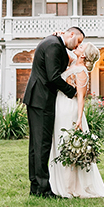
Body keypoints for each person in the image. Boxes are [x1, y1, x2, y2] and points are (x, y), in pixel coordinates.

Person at [23, 27, 85, 198]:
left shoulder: (53, 42)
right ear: (71, 34)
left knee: (36, 146)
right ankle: (42, 188)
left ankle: (36, 187)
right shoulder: (54, 45)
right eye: (78, 41)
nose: (77, 46)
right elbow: (53, 76)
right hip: (42, 100)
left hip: (37, 98)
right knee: (42, 145)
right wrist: (72, 92)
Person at [48, 41, 104, 198]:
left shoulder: (82, 71)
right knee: (58, 143)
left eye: (81, 47)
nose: (78, 46)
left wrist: (79, 119)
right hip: (59, 106)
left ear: (84, 55)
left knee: (67, 145)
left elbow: (81, 98)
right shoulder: (72, 63)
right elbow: (64, 49)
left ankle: (69, 187)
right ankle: (57, 184)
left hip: (69, 110)